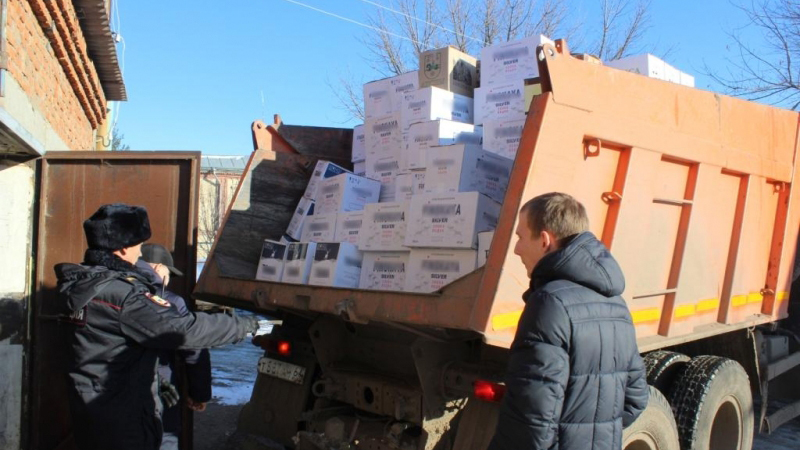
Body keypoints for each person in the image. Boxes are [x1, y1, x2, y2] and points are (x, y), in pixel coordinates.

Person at [54, 203, 260, 450]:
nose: (140, 254)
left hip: (91, 410)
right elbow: (183, 331)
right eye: (138, 246)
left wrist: (154, 382)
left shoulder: (80, 286)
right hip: (124, 420)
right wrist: (242, 325)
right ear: (122, 248)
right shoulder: (123, 296)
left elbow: (106, 349)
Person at [488, 192, 648, 450]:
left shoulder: (549, 303)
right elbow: (636, 398)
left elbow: (531, 418)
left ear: (544, 240)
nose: (516, 249)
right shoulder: (617, 305)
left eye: (520, 237)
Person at [137, 243, 211, 450]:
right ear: (157, 268)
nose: (168, 279)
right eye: (168, 273)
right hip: (160, 389)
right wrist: (199, 394)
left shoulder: (117, 292)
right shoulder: (171, 302)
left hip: (118, 390)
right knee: (165, 438)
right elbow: (193, 348)